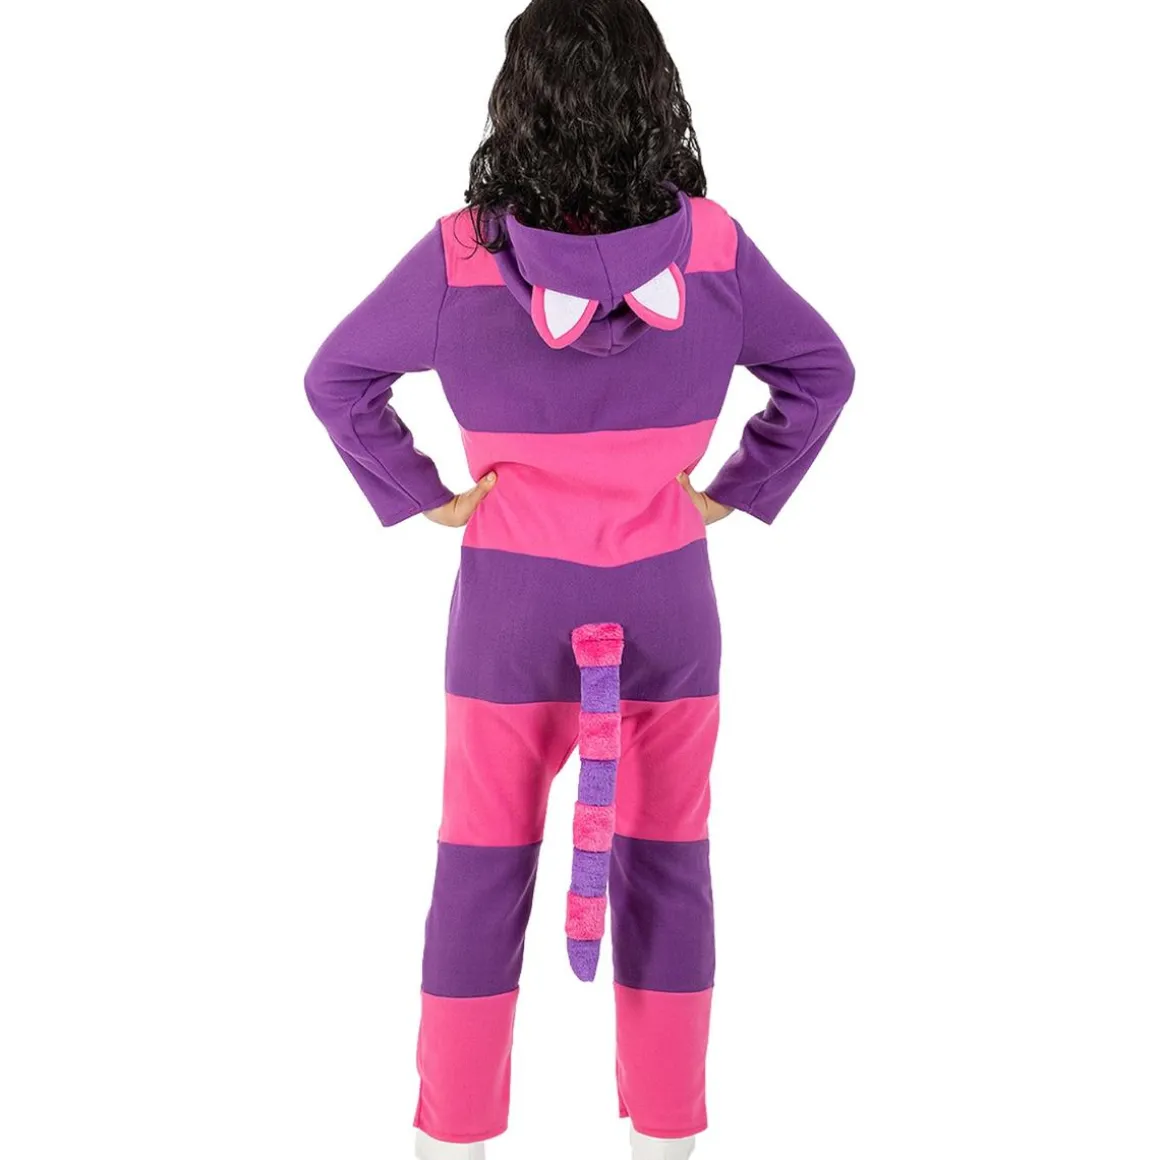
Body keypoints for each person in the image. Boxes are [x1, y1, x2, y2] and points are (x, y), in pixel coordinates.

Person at [304, 1, 854, 1156]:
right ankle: (667, 1131)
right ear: (657, 93)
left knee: (479, 862)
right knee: (670, 864)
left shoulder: (461, 254)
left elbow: (336, 375)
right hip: (667, 597)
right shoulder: (712, 247)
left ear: (519, 101)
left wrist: (421, 493)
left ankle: (453, 1132)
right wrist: (733, 489)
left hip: (508, 605)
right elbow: (820, 369)